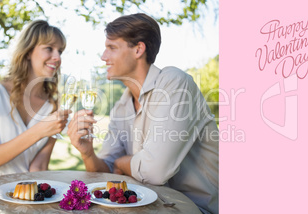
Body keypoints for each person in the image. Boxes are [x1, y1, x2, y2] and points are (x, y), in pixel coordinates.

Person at [68, 13, 219, 213]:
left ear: (138, 49)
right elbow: (105, 175)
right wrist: (87, 153)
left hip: (195, 209)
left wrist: (122, 163)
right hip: (148, 207)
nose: (104, 57)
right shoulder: (121, 109)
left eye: (111, 48)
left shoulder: (174, 83)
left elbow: (154, 172)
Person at [0, 20, 71, 183]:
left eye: (60, 51)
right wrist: (40, 130)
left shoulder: (52, 107)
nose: (57, 57)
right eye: (49, 48)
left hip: (24, 194)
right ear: (28, 52)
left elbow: (39, 167)